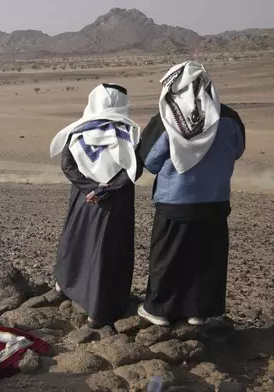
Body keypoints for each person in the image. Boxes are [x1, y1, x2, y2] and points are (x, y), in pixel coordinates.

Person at [137, 61, 245, 327]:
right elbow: (238, 149)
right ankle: (200, 311)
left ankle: (160, 310)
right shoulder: (229, 117)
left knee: (168, 255)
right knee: (208, 257)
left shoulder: (166, 119)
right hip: (216, 200)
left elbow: (149, 160)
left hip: (175, 201)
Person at [49, 83, 143, 329]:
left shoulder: (77, 131)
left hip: (84, 198)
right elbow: (135, 169)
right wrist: (106, 190)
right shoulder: (131, 134)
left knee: (77, 241)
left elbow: (68, 165)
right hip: (116, 201)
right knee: (108, 252)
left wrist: (90, 189)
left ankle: (66, 286)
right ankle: (100, 309)